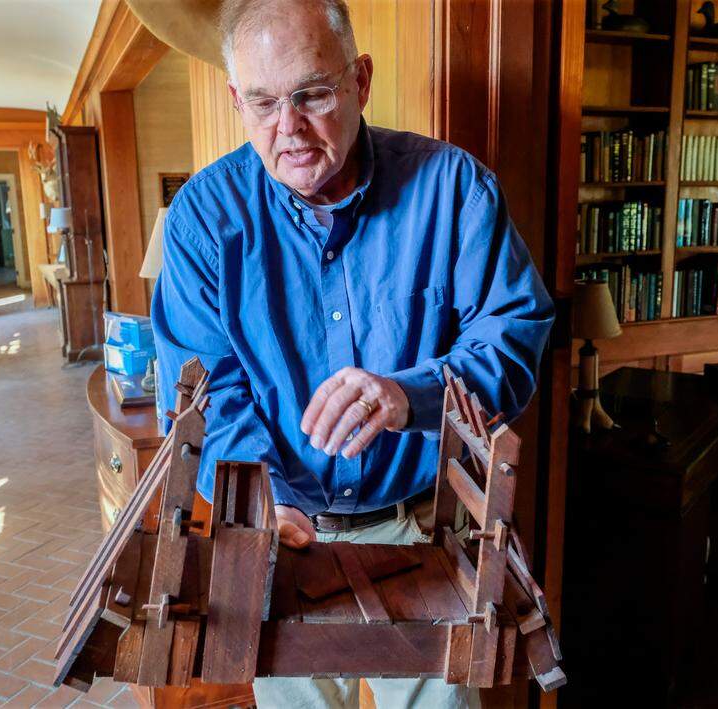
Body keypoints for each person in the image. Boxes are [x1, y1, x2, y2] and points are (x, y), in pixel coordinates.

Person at [151, 0, 554, 705]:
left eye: (313, 93)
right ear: (234, 100)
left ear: (360, 81)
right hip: (282, 534)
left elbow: (513, 336)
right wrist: (255, 499)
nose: (290, 129)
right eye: (263, 102)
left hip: (422, 532)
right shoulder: (201, 220)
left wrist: (412, 394)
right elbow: (204, 389)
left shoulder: (454, 190)